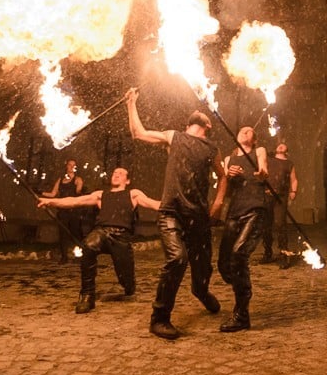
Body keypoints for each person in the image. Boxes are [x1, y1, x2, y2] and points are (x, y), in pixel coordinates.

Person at [125, 88, 228, 340]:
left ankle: (201, 291)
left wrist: (217, 204)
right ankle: (159, 318)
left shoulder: (212, 148)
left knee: (202, 267)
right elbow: (138, 133)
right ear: (189, 123)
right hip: (171, 212)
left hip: (200, 216)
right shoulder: (174, 137)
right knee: (177, 259)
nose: (200, 112)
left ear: (209, 125)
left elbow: (223, 177)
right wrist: (131, 104)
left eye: (204, 114)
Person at [38, 167, 161, 313]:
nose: (116, 175)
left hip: (121, 236)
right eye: (114, 172)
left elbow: (154, 204)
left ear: (127, 181)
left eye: (121, 174)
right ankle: (87, 295)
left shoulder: (133, 194)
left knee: (126, 279)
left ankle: (129, 286)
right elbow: (74, 201)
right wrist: (50, 202)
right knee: (88, 245)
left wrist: (181, 205)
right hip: (101, 232)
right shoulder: (100, 195)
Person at [210, 126, 268, 332]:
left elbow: (263, 170)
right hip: (234, 212)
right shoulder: (228, 158)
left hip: (255, 209)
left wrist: (261, 173)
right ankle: (240, 285)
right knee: (225, 265)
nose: (245, 132)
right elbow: (223, 181)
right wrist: (227, 174)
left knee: (239, 255)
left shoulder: (258, 152)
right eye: (242, 130)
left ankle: (241, 314)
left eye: (250, 131)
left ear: (254, 139)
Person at [262, 142, 298, 269]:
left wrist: (293, 191)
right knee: (265, 225)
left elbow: (293, 179)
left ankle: (283, 253)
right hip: (267, 195)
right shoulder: (269, 160)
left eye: (284, 145)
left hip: (280, 197)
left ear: (287, 150)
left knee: (279, 224)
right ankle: (267, 253)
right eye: (279, 145)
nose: (281, 145)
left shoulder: (289, 164)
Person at [42, 158, 84, 264]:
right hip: (62, 211)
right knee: (63, 233)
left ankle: (78, 256)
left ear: (75, 168)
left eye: (73, 165)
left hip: (74, 210)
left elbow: (79, 191)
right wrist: (40, 192)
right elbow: (53, 194)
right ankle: (64, 257)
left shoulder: (78, 179)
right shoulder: (60, 180)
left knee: (75, 233)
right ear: (67, 166)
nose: (71, 167)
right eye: (69, 164)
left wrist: (80, 192)